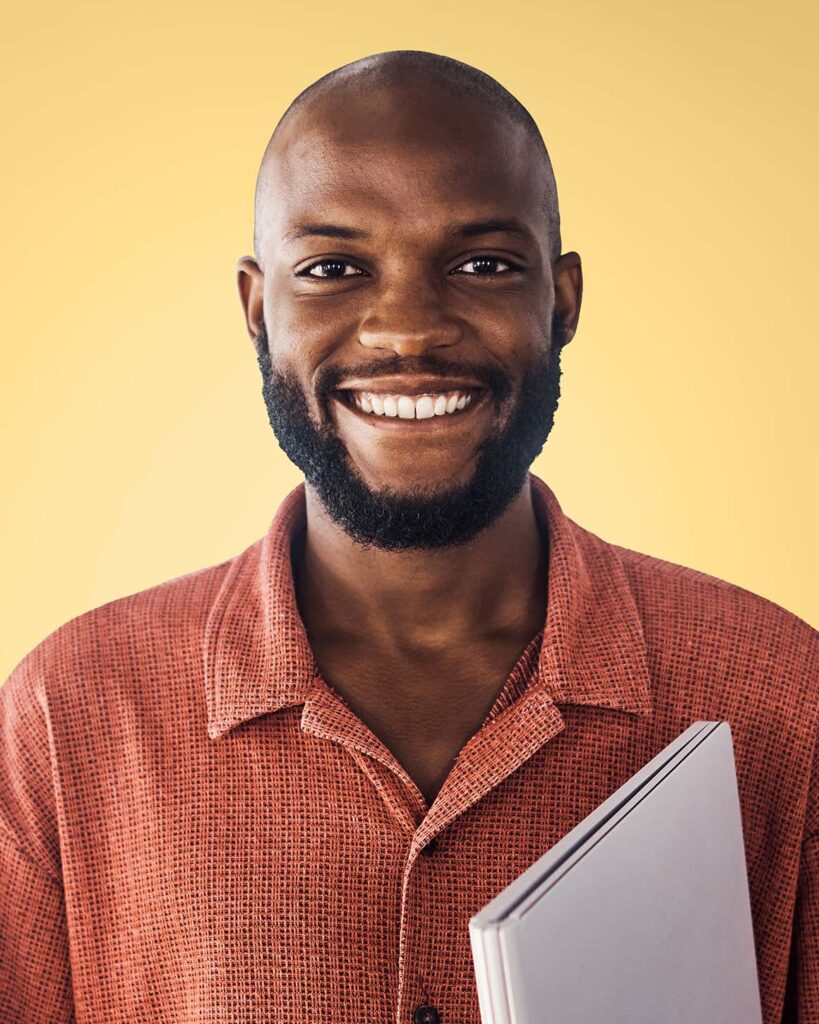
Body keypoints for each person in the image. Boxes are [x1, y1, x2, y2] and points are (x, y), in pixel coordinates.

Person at [0, 49, 815, 1024]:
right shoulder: (72, 712)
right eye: (335, 268)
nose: (405, 329)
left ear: (561, 300)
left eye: (481, 264)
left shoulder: (779, 691)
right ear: (259, 309)